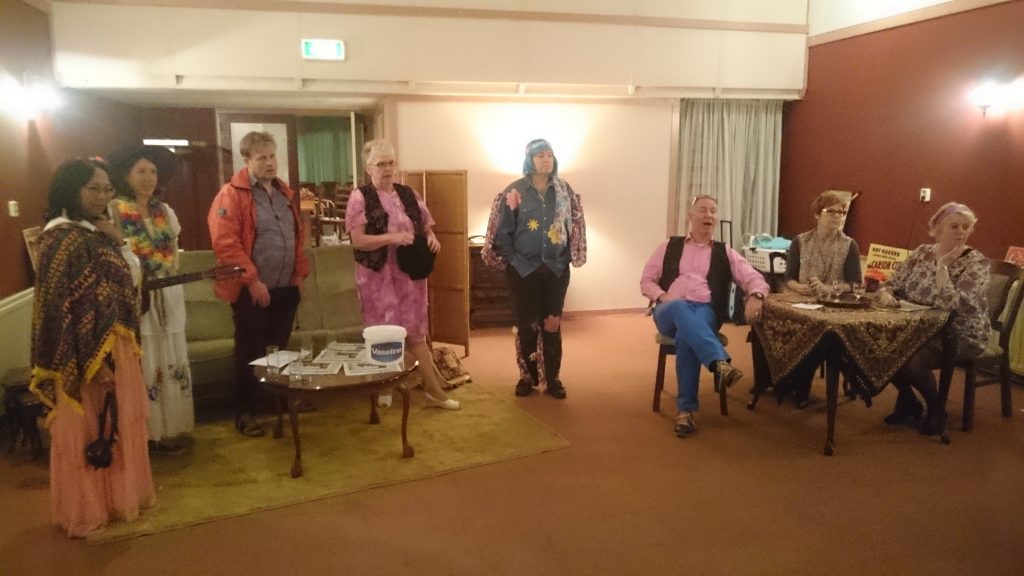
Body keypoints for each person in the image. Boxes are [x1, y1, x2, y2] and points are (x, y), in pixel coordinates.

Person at [30, 158, 155, 537]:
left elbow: (131, 279)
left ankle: (116, 499)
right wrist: (89, 357)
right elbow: (58, 308)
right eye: (93, 189)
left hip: (116, 344)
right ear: (72, 191)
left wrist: (119, 241)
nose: (102, 197)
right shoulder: (61, 238)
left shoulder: (98, 232)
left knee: (115, 425)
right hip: (82, 354)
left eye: (107, 189)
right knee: (88, 429)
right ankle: (88, 506)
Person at [640, 194, 770, 438]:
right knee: (679, 306)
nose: (708, 215)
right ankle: (718, 361)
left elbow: (753, 277)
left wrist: (756, 295)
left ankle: (685, 412)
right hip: (668, 309)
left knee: (687, 337)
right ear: (690, 216)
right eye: (703, 210)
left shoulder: (725, 252)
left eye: (713, 211)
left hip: (704, 311)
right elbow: (646, 281)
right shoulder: (669, 246)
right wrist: (662, 296)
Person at [345, 138, 459, 410]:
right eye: (381, 164)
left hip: (409, 276)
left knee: (416, 332)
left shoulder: (409, 193)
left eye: (391, 163)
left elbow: (425, 226)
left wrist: (431, 238)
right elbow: (358, 241)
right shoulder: (360, 197)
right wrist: (392, 238)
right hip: (377, 277)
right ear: (368, 169)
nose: (388, 169)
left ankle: (434, 391)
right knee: (385, 333)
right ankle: (384, 386)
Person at [208, 131, 309, 437]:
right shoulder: (231, 194)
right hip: (251, 290)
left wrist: (299, 275)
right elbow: (226, 244)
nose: (269, 163)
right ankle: (246, 411)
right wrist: (252, 281)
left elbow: (296, 238)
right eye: (262, 157)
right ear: (247, 160)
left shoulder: (283, 193)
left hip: (285, 288)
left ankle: (273, 404)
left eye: (272, 156)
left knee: (278, 350)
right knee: (250, 352)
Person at [877, 202, 989, 435]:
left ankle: (936, 409)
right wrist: (886, 293)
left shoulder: (976, 262)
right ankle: (909, 400)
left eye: (966, 227)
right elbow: (893, 283)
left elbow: (953, 304)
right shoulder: (922, 253)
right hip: (917, 326)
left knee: (911, 358)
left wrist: (942, 268)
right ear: (937, 229)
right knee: (878, 346)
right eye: (954, 226)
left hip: (959, 332)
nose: (961, 232)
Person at [109, 147, 194, 453]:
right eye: (141, 172)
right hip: (137, 296)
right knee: (146, 358)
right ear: (126, 176)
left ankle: (173, 427)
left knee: (171, 354)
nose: (148, 178)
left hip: (168, 292)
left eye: (153, 172)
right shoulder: (114, 211)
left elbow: (173, 252)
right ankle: (148, 433)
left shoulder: (165, 211)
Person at [491, 139, 587, 400]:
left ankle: (553, 378)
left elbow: (575, 225)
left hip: (556, 270)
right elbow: (503, 231)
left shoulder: (564, 190)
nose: (546, 159)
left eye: (549, 155)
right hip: (523, 271)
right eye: (540, 155)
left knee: (552, 326)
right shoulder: (515, 191)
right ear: (529, 159)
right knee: (527, 326)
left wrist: (568, 255)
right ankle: (528, 377)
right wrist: (513, 260)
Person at [782, 190, 863, 407]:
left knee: (816, 334)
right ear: (817, 214)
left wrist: (829, 289)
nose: (837, 216)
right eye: (831, 211)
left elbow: (855, 283)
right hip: (802, 302)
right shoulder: (800, 241)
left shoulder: (849, 245)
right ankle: (777, 379)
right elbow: (788, 278)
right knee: (773, 325)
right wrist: (799, 287)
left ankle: (801, 389)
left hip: (833, 306)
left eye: (841, 212)